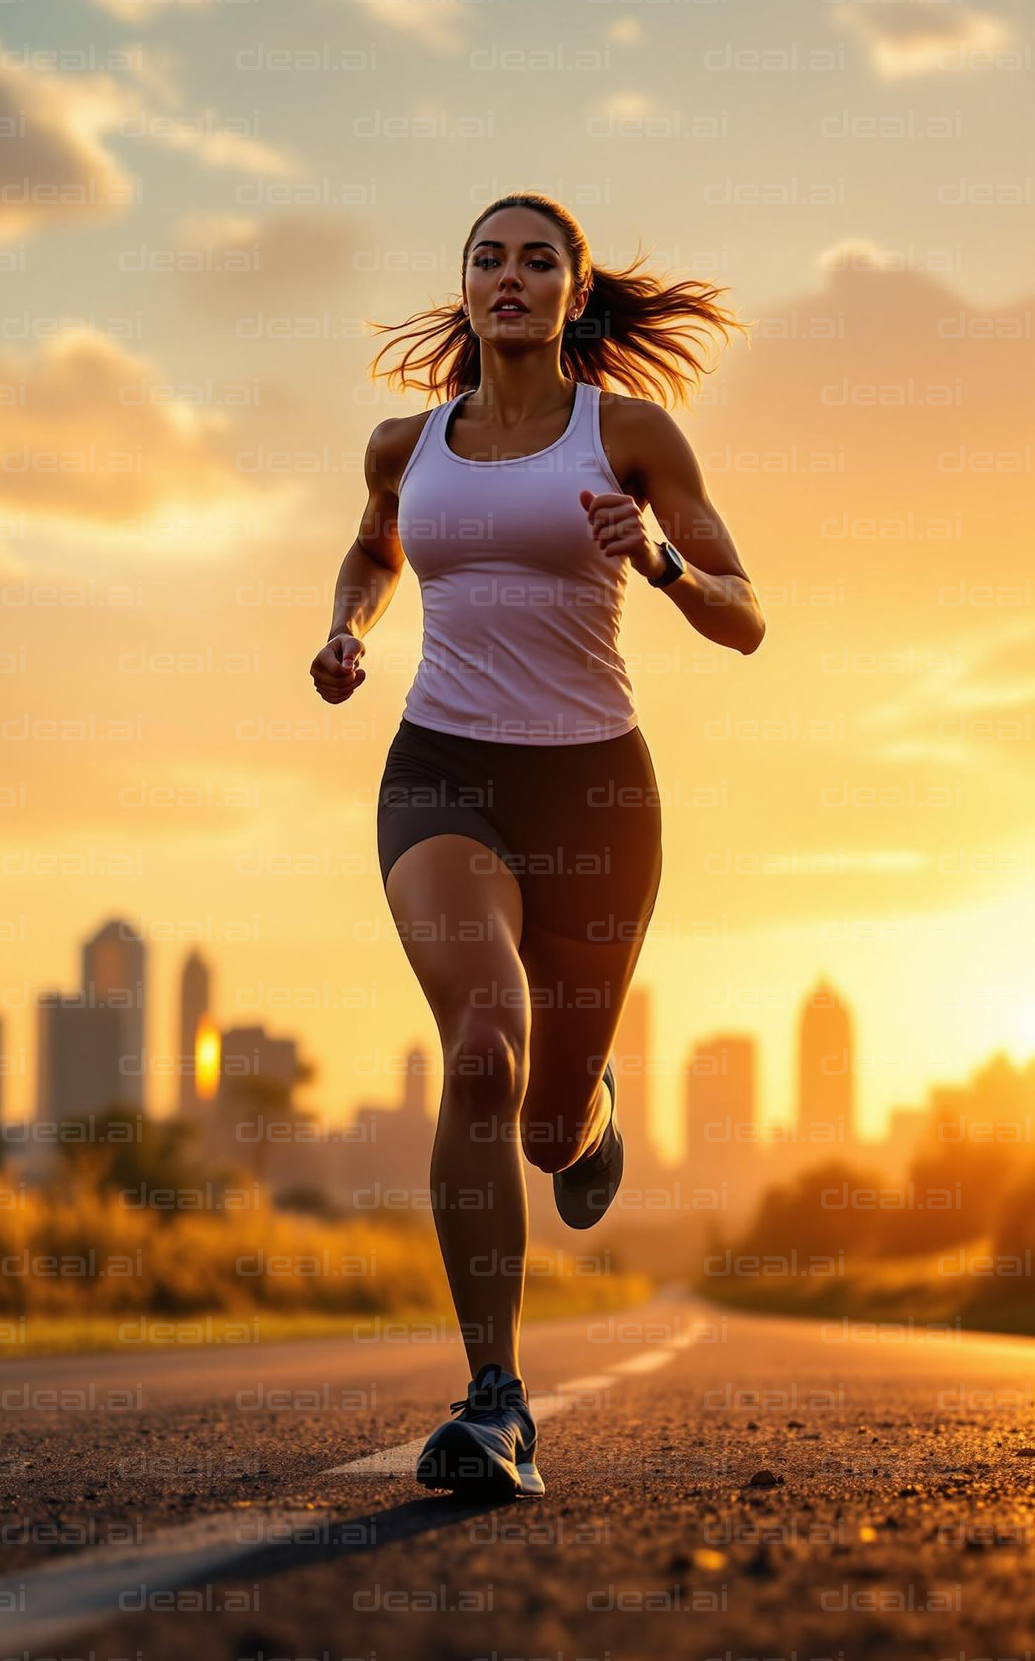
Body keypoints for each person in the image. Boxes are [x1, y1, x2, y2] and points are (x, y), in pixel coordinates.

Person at [310, 192, 763, 1502]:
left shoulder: (626, 434)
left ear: (575, 294)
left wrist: (666, 565)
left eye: (538, 261)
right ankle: (496, 1401)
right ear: (465, 290)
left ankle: (592, 1113)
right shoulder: (407, 444)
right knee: (483, 1048)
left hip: (596, 802)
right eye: (487, 260)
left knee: (549, 1123)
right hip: (440, 773)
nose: (511, 277)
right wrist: (349, 625)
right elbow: (370, 548)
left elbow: (748, 618)